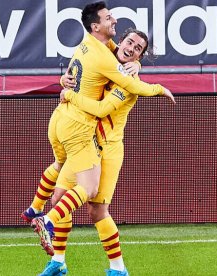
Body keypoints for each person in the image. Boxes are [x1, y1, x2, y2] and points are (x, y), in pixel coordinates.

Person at [22, 1, 174, 275]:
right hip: (85, 139)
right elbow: (84, 66)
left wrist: (68, 94)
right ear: (121, 41)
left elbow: (102, 108)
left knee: (97, 210)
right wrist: (62, 81)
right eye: (129, 43)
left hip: (108, 148)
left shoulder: (127, 82)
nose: (130, 49)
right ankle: (58, 261)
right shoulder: (110, 55)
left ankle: (118, 269)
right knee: (59, 197)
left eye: (138, 49)